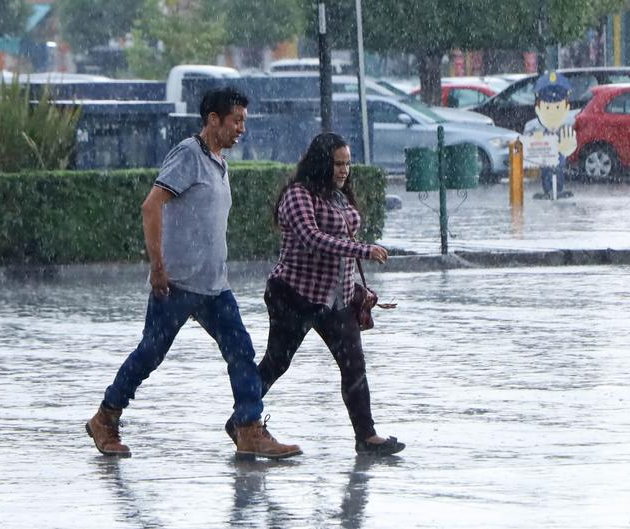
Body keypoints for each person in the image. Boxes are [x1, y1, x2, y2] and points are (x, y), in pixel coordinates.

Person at [86, 87, 301, 460]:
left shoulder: (220, 162)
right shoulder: (188, 155)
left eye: (244, 122)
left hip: (214, 286)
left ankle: (249, 428)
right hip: (176, 284)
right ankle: (105, 418)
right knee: (150, 354)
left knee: (241, 351)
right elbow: (151, 206)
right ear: (213, 120)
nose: (241, 129)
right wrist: (157, 267)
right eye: (236, 121)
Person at [227, 132, 405, 456]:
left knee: (354, 364)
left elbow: (340, 246)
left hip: (335, 299)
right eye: (338, 164)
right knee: (277, 362)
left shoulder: (339, 197)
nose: (344, 171)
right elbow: (313, 238)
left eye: (348, 164)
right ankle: (242, 419)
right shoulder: (298, 195)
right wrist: (362, 250)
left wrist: (357, 290)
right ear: (321, 163)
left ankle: (366, 436)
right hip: (293, 295)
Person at [524, 70, 577, 200]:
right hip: (547, 143)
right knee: (547, 167)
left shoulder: (563, 129)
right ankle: (548, 189)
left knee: (558, 165)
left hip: (558, 141)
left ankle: (556, 189)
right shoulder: (540, 129)